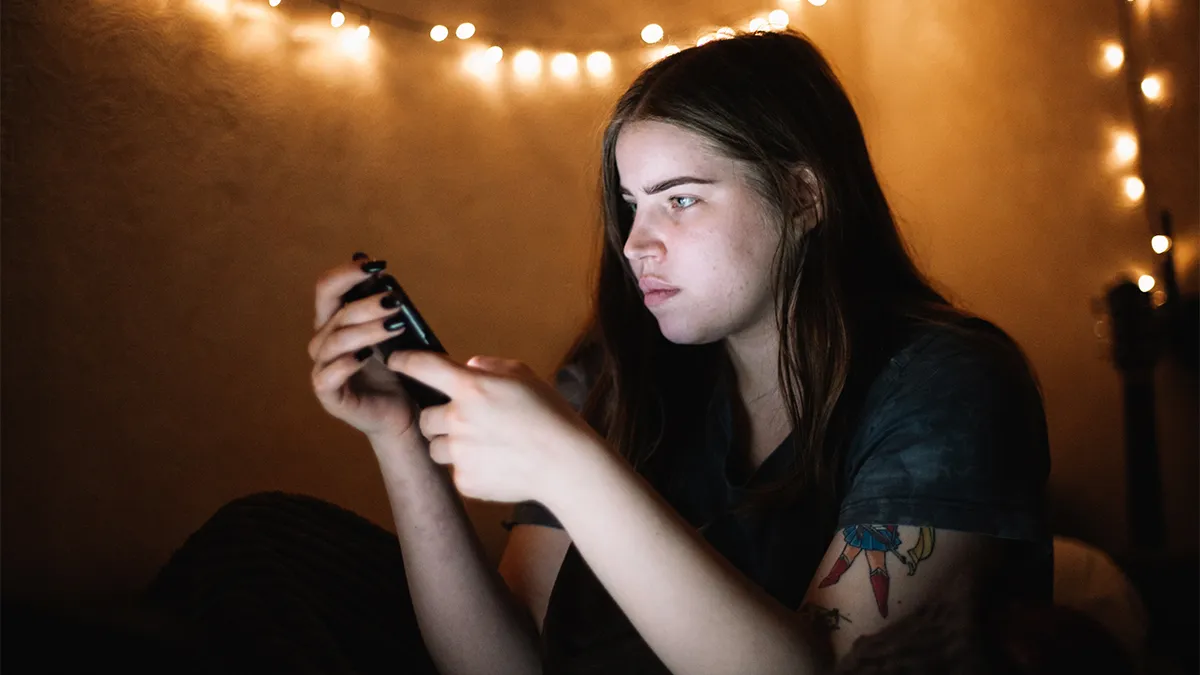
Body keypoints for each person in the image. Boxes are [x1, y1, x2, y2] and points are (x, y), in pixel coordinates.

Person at [154, 29, 1052, 674]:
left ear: (805, 196)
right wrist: (399, 437)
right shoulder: (620, 370)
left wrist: (570, 462)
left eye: (682, 200)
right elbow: (500, 662)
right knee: (261, 540)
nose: (634, 245)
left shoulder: (946, 381)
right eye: (631, 206)